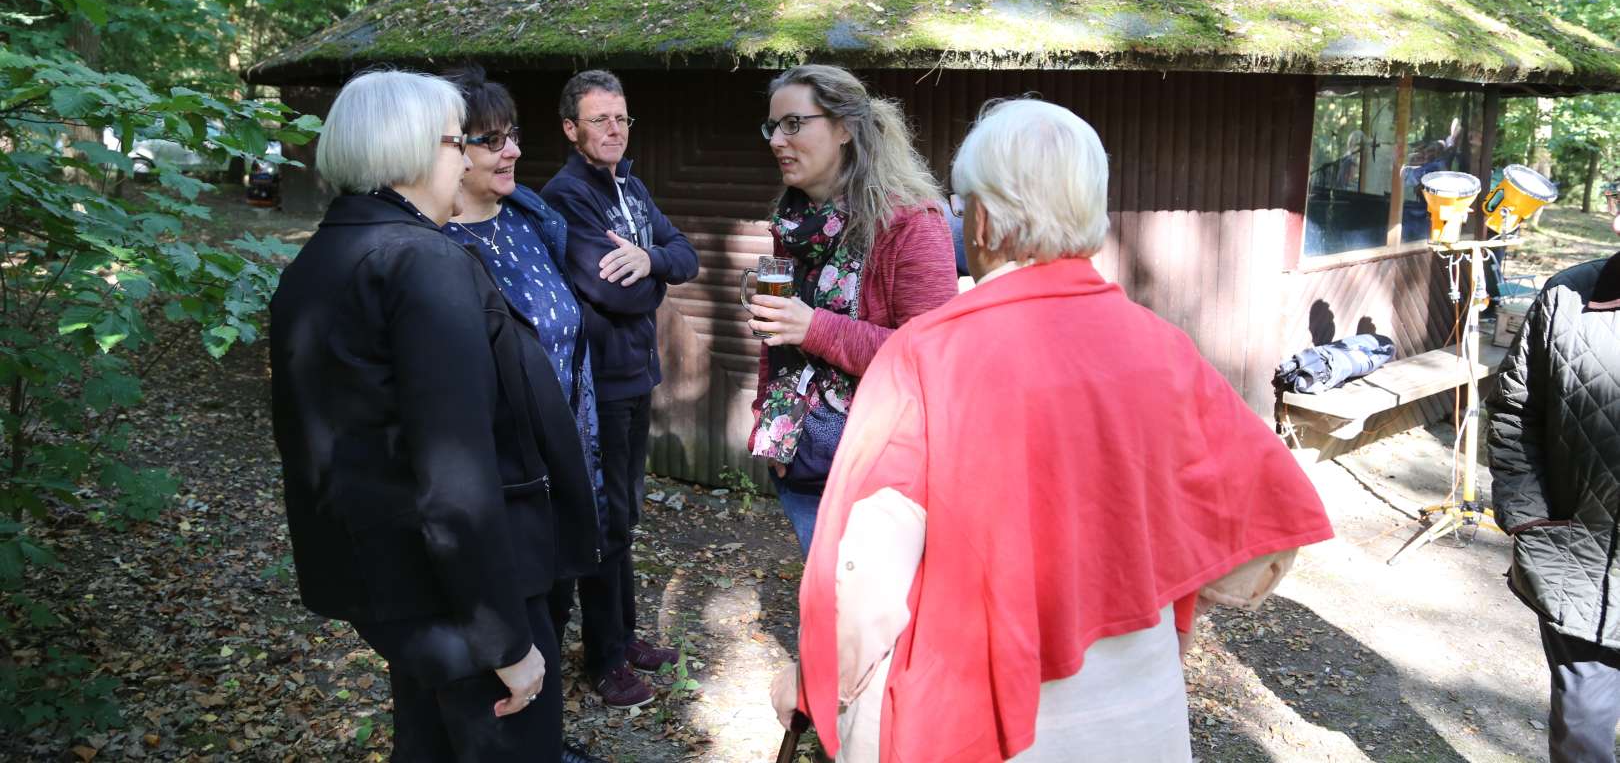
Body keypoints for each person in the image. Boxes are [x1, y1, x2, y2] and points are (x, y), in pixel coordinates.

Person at [774, 98, 1335, 762]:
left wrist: (816, 681)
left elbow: (866, 578)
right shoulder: (1163, 348)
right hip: (1137, 714)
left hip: (975, 720)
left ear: (979, 221)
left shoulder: (928, 356)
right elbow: (1262, 536)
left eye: (961, 208)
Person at [270, 69, 596, 762]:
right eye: (457, 142)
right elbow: (454, 473)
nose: (466, 159)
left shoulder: (320, 258)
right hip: (472, 591)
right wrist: (505, 640)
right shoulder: (424, 263)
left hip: (396, 591)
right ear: (412, 149)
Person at [441, 67, 606, 763]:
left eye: (511, 137)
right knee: (510, 633)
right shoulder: (439, 252)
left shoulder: (532, 219)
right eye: (490, 141)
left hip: (570, 462)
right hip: (510, 484)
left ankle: (545, 744)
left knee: (555, 612)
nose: (510, 152)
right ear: (448, 151)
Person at [746, 65, 957, 555]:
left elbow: (930, 358)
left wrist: (814, 327)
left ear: (844, 129)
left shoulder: (910, 224)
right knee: (827, 606)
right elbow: (775, 335)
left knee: (870, 618)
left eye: (794, 124)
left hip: (881, 468)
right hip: (802, 455)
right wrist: (767, 421)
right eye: (773, 126)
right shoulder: (791, 222)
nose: (778, 139)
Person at [542, 69, 699, 709]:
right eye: (601, 119)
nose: (615, 129)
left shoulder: (630, 186)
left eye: (622, 117)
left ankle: (625, 635)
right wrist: (653, 273)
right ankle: (603, 659)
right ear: (571, 129)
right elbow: (610, 290)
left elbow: (685, 254)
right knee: (602, 518)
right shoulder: (567, 196)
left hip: (637, 375)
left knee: (625, 513)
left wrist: (651, 261)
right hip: (596, 383)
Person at [1488, 224, 1620, 763]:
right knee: (1581, 734)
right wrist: (1530, 521)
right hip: (1580, 566)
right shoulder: (1567, 298)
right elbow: (1516, 411)